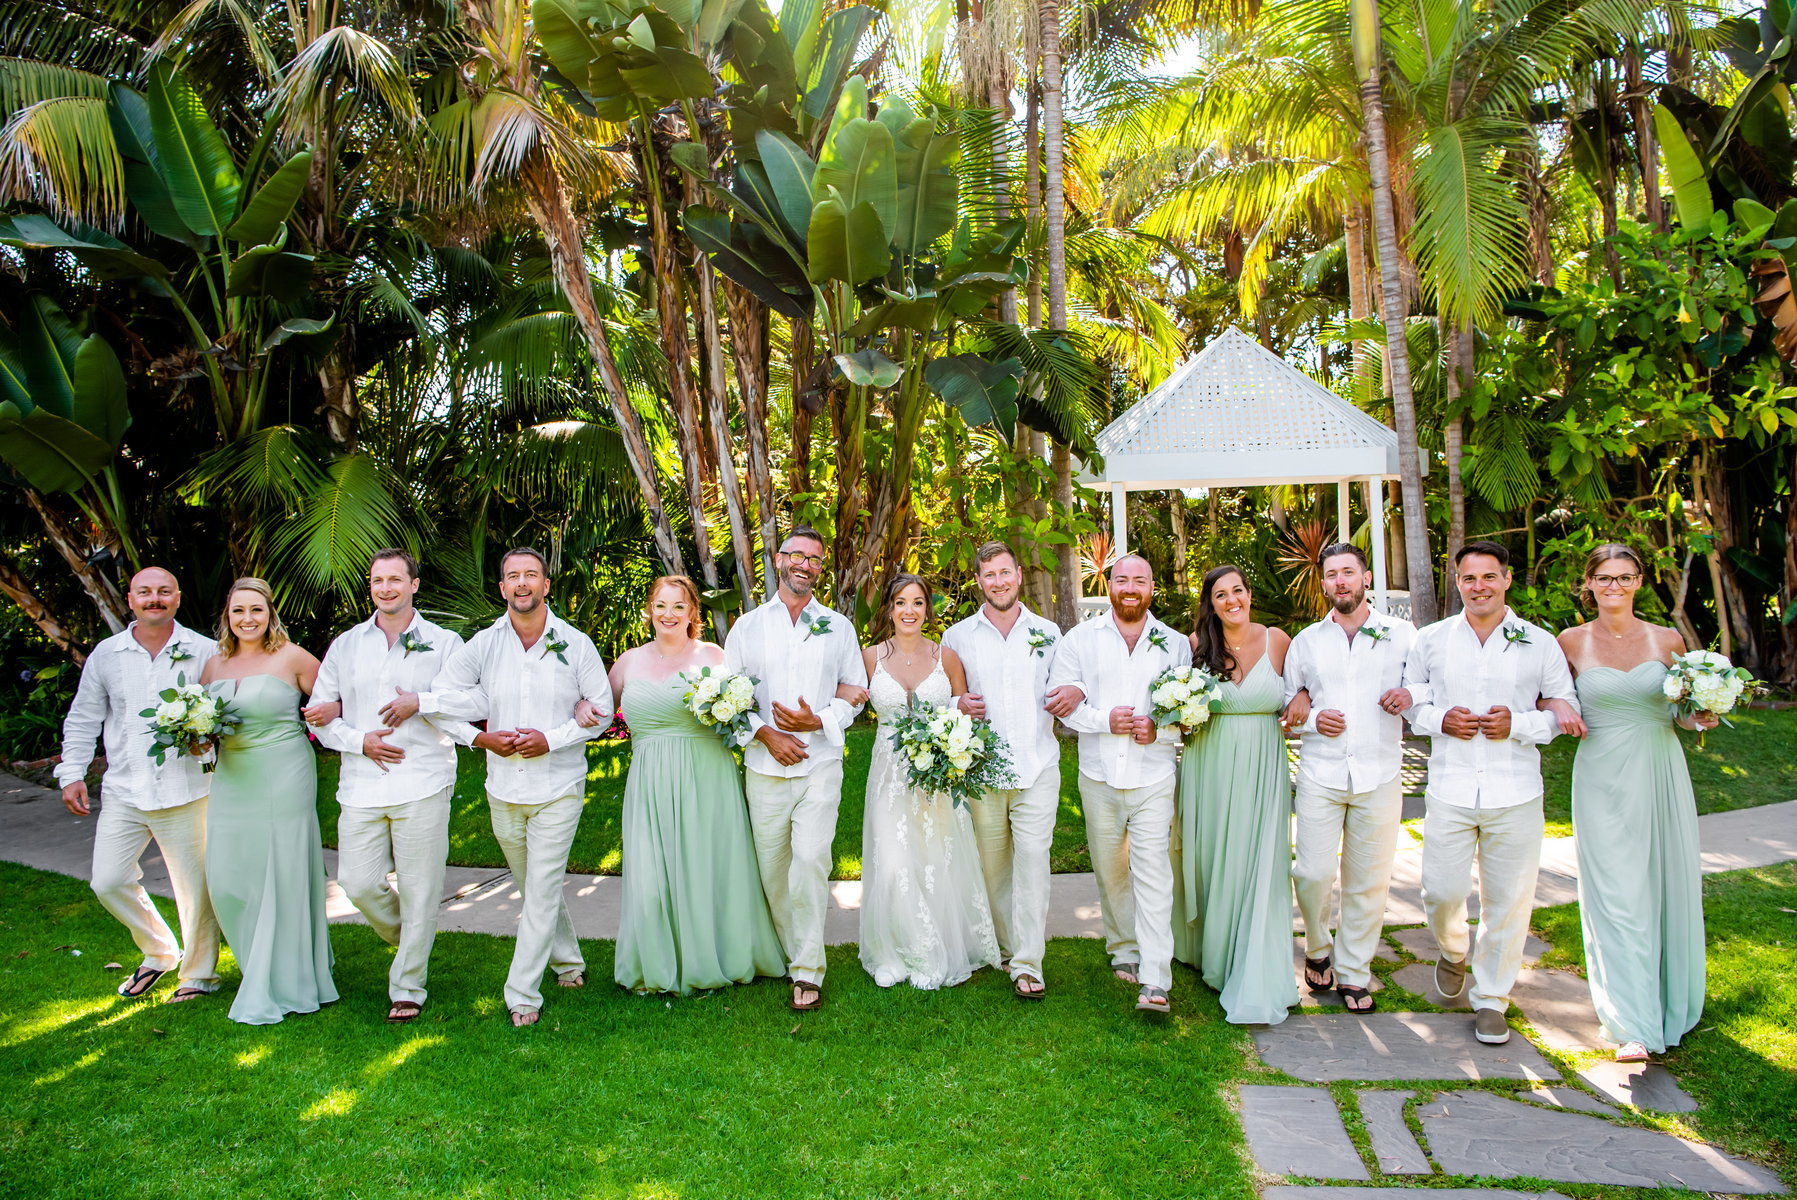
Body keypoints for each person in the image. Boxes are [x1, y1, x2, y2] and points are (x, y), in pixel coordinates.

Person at [421, 547, 612, 1027]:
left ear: (546, 585)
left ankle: (522, 994)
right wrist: (479, 737)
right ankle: (568, 962)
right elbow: (440, 698)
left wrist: (554, 738)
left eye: (531, 575)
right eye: (513, 576)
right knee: (533, 886)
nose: (522, 583)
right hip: (502, 787)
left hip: (558, 785)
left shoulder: (575, 644)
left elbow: (603, 709)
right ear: (503, 587)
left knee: (542, 888)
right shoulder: (484, 644)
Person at [1403, 540, 1579, 1045]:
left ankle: (1492, 998)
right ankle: (1453, 949)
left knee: (1508, 901)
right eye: (1468, 578)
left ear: (1506, 579)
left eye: (1488, 577)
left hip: (1515, 791)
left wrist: (1517, 725)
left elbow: (1563, 706)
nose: (1478, 587)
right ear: (1457, 582)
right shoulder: (1431, 640)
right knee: (1440, 892)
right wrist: (1441, 719)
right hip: (1451, 787)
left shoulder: (1539, 642)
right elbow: (1413, 701)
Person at [302, 549, 477, 1023]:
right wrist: (360, 741)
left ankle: (408, 987)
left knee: (421, 889)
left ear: (414, 585)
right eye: (378, 580)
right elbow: (321, 714)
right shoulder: (346, 645)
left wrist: (422, 701)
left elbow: (472, 701)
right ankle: (413, 937)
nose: (386, 588)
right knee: (357, 882)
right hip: (362, 783)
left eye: (395, 579)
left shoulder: (444, 643)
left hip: (423, 779)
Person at [1556, 543, 1710, 1063]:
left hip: (1659, 770)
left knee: (1661, 884)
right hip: (1600, 776)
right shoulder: (1570, 642)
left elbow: (1681, 712)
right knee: (1616, 893)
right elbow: (1549, 697)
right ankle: (1632, 1024)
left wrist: (1701, 716)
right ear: (1589, 583)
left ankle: (1663, 999)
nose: (1614, 586)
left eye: (1625, 577)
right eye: (1604, 578)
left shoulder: (1667, 640)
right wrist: (1558, 709)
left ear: (1640, 582)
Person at [609, 575, 785, 994]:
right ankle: (658, 961)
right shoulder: (628, 662)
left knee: (711, 867)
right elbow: (597, 712)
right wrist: (582, 707)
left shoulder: (715, 656)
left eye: (678, 606)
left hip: (708, 778)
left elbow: (745, 710)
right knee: (651, 878)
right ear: (650, 610)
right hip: (650, 782)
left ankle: (720, 954)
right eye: (660, 605)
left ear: (692, 612)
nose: (668, 614)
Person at [56, 567, 222, 1004]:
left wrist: (208, 742)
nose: (154, 598)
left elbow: (224, 713)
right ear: (130, 600)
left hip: (188, 790)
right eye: (145, 592)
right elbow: (84, 717)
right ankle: (160, 951)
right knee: (108, 881)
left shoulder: (204, 650)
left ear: (177, 598)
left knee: (195, 891)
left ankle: (199, 975)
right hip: (125, 791)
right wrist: (72, 773)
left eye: (164, 591)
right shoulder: (107, 654)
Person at [722, 526, 867, 1012]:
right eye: (797, 555)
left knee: (809, 861)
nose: (806, 565)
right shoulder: (747, 627)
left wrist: (816, 720)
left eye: (815, 559)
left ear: (821, 569)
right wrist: (767, 734)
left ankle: (807, 970)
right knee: (773, 871)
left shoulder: (838, 627)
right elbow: (728, 696)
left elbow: (855, 691)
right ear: (779, 559)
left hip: (819, 764)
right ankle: (791, 951)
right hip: (764, 767)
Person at [1279, 543, 1419, 1015]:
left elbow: (1425, 686)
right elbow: (1288, 704)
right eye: (1332, 574)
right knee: (1312, 872)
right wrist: (1313, 716)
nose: (1340, 581)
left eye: (1348, 572)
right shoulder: (1307, 641)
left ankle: (1355, 970)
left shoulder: (1402, 635)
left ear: (1366, 578)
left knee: (1368, 879)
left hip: (1380, 772)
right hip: (1321, 772)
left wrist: (1409, 695)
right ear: (1324, 583)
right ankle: (1318, 945)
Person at [1047, 554, 1190, 1014]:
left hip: (1154, 776)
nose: (1130, 588)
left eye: (1139, 580)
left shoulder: (1174, 644)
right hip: (1099, 775)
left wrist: (1160, 728)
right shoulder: (1079, 639)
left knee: (1153, 873)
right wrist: (1104, 720)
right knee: (1110, 871)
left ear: (1152, 587)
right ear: (1108, 585)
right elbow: (1061, 702)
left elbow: (1187, 709)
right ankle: (1124, 947)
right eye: (1122, 579)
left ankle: (1156, 977)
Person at [942, 542, 1084, 1000]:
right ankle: (1007, 947)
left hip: (1037, 767)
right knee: (994, 869)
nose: (999, 582)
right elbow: (941, 696)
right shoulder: (957, 637)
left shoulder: (1048, 633)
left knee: (1033, 864)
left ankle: (1028, 963)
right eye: (989, 575)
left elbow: (1069, 683)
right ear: (978, 582)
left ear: (1019, 575)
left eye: (1005, 573)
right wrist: (957, 703)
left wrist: (1076, 691)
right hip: (982, 772)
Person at [853, 574, 1001, 989]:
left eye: (917, 602)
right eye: (901, 602)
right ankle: (893, 952)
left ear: (927, 610)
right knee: (893, 861)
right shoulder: (868, 657)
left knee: (935, 859)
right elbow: (847, 700)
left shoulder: (946, 657)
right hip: (888, 774)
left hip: (937, 773)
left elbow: (963, 710)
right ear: (889, 609)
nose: (909, 610)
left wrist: (956, 736)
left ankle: (934, 951)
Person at [199, 577, 335, 1025]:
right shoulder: (214, 665)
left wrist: (326, 720)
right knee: (228, 875)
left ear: (270, 613)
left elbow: (336, 701)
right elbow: (204, 725)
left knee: (281, 869)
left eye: (256, 609)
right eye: (238, 610)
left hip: (283, 770)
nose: (247, 618)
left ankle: (288, 977)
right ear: (227, 616)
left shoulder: (292, 657)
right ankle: (258, 961)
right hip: (231, 775)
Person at [1169, 564, 1300, 1026]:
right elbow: (1178, 710)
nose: (1231, 600)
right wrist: (1181, 715)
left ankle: (1255, 961)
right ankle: (1215, 952)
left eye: (1237, 590)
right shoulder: (1195, 646)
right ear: (1211, 603)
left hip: (1263, 763)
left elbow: (1304, 688)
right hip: (1210, 762)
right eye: (1220, 594)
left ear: (1249, 594)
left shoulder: (1278, 641)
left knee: (1259, 859)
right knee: (1211, 856)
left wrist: (1302, 695)